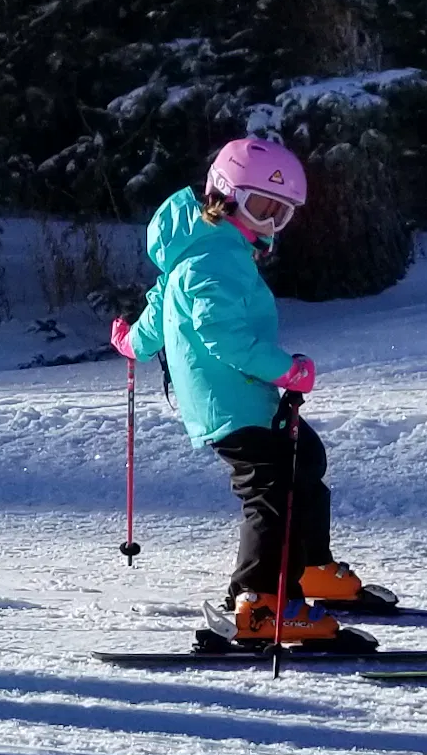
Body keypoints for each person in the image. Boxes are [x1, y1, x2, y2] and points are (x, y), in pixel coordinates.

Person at [116, 133, 393, 651]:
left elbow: (156, 317)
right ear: (225, 193)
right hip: (232, 399)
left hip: (245, 396)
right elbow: (224, 336)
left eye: (281, 213)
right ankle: (260, 603)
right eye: (262, 205)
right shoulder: (211, 261)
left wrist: (131, 344)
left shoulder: (208, 249)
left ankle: (307, 569)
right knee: (272, 490)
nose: (269, 222)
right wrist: (287, 369)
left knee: (304, 458)